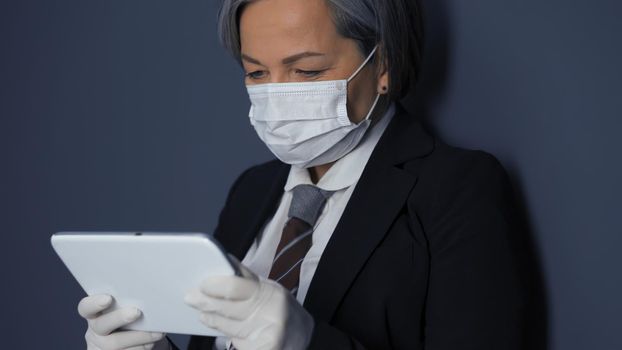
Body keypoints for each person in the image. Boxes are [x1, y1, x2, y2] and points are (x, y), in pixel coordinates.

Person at [77, 0, 528, 349]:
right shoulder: (251, 192)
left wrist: (303, 341)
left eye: (307, 70)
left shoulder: (456, 188)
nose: (277, 94)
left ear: (384, 63)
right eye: (256, 72)